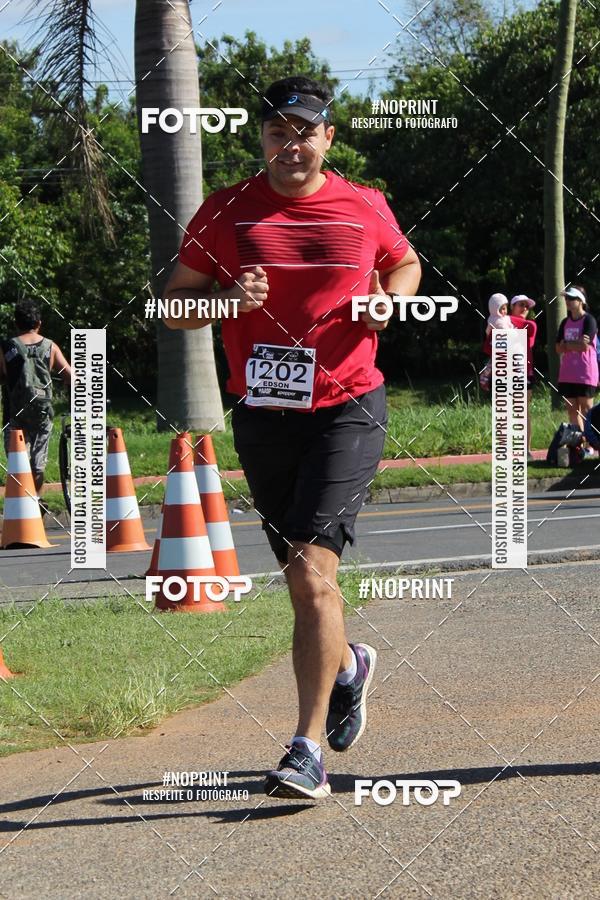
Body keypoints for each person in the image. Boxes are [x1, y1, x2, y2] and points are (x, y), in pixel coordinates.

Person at [163, 75, 421, 799]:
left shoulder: (364, 204)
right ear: (262, 139)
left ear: (327, 138)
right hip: (263, 414)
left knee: (312, 573)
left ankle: (305, 749)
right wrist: (222, 299)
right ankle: (348, 668)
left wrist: (389, 301)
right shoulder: (226, 211)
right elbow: (171, 304)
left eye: (304, 131)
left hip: (348, 406)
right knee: (302, 582)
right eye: (278, 132)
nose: (291, 144)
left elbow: (404, 261)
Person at [0, 299, 72, 496]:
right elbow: (71, 377)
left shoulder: (6, 347)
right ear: (39, 323)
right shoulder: (50, 346)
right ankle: (36, 504)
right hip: (42, 414)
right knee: (37, 465)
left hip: (14, 416)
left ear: (16, 324)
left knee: (18, 466)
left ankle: (21, 511)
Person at [555, 285, 598, 432]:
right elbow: (557, 348)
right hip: (567, 373)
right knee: (572, 410)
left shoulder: (589, 320)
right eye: (566, 298)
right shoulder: (564, 322)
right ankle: (580, 444)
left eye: (571, 298)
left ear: (581, 301)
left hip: (585, 373)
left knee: (587, 410)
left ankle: (592, 444)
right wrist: (574, 343)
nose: (567, 301)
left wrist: (567, 344)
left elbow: (584, 347)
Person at [509, 294, 538, 458]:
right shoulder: (502, 323)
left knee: (523, 412)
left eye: (527, 306)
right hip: (504, 372)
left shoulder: (530, 325)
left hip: (523, 373)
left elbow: (529, 327)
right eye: (521, 305)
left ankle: (525, 449)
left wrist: (506, 320)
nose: (525, 308)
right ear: (512, 307)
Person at [479, 293, 513, 390]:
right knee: (495, 363)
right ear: (495, 309)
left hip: (504, 346)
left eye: (505, 308)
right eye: (502, 308)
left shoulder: (504, 318)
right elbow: (503, 330)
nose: (504, 311)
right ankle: (485, 378)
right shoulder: (495, 320)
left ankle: (489, 379)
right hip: (499, 345)